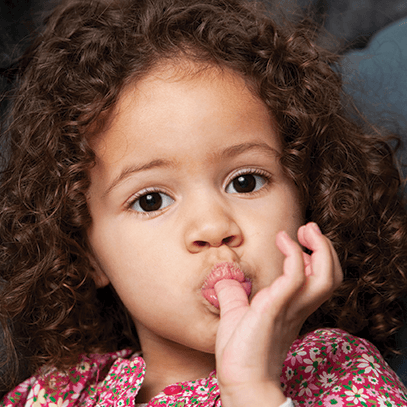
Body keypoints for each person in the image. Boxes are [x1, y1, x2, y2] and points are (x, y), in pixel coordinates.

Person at [0, 0, 406, 405]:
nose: (214, 227)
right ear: (86, 254)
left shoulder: (339, 373)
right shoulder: (59, 393)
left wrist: (250, 387)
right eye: (151, 200)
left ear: (308, 195)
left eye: (245, 182)